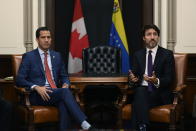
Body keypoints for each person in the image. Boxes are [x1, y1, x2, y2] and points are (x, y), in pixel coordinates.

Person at [16, 27, 91, 130]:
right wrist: (36, 87)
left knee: (63, 102)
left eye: (48, 37)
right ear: (37, 39)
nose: (46, 40)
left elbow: (64, 76)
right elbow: (20, 79)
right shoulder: (29, 56)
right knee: (64, 93)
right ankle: (83, 123)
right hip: (38, 95)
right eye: (43, 37)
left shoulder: (57, 56)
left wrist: (66, 84)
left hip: (54, 92)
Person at [129, 24, 175, 131]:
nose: (152, 37)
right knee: (140, 91)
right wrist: (132, 80)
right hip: (143, 92)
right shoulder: (138, 55)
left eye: (155, 34)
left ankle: (142, 126)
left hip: (158, 93)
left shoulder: (167, 54)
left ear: (158, 37)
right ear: (144, 38)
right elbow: (134, 76)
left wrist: (156, 80)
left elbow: (169, 79)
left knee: (137, 101)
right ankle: (143, 126)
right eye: (149, 34)